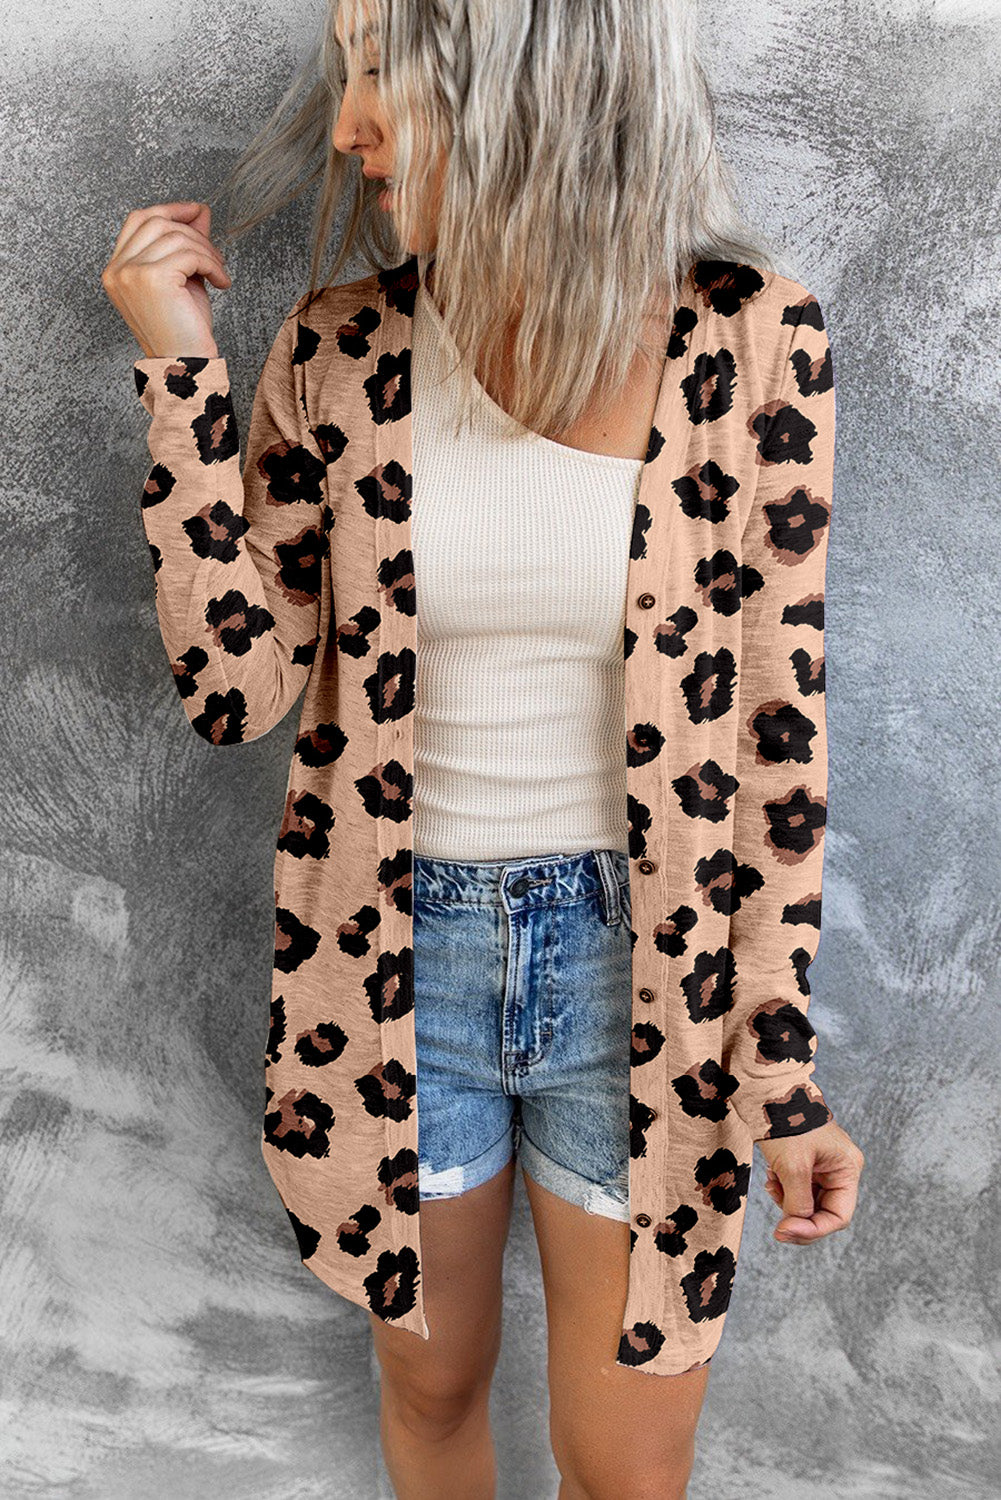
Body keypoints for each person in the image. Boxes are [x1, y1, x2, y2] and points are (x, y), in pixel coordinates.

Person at [101, 2, 865, 1495]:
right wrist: (181, 380)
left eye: (385, 70)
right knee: (435, 1389)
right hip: (396, 961)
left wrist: (779, 1067)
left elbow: (777, 745)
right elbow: (234, 690)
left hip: (645, 969)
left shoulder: (751, 335)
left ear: (531, 72)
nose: (348, 128)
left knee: (625, 1465)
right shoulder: (340, 350)